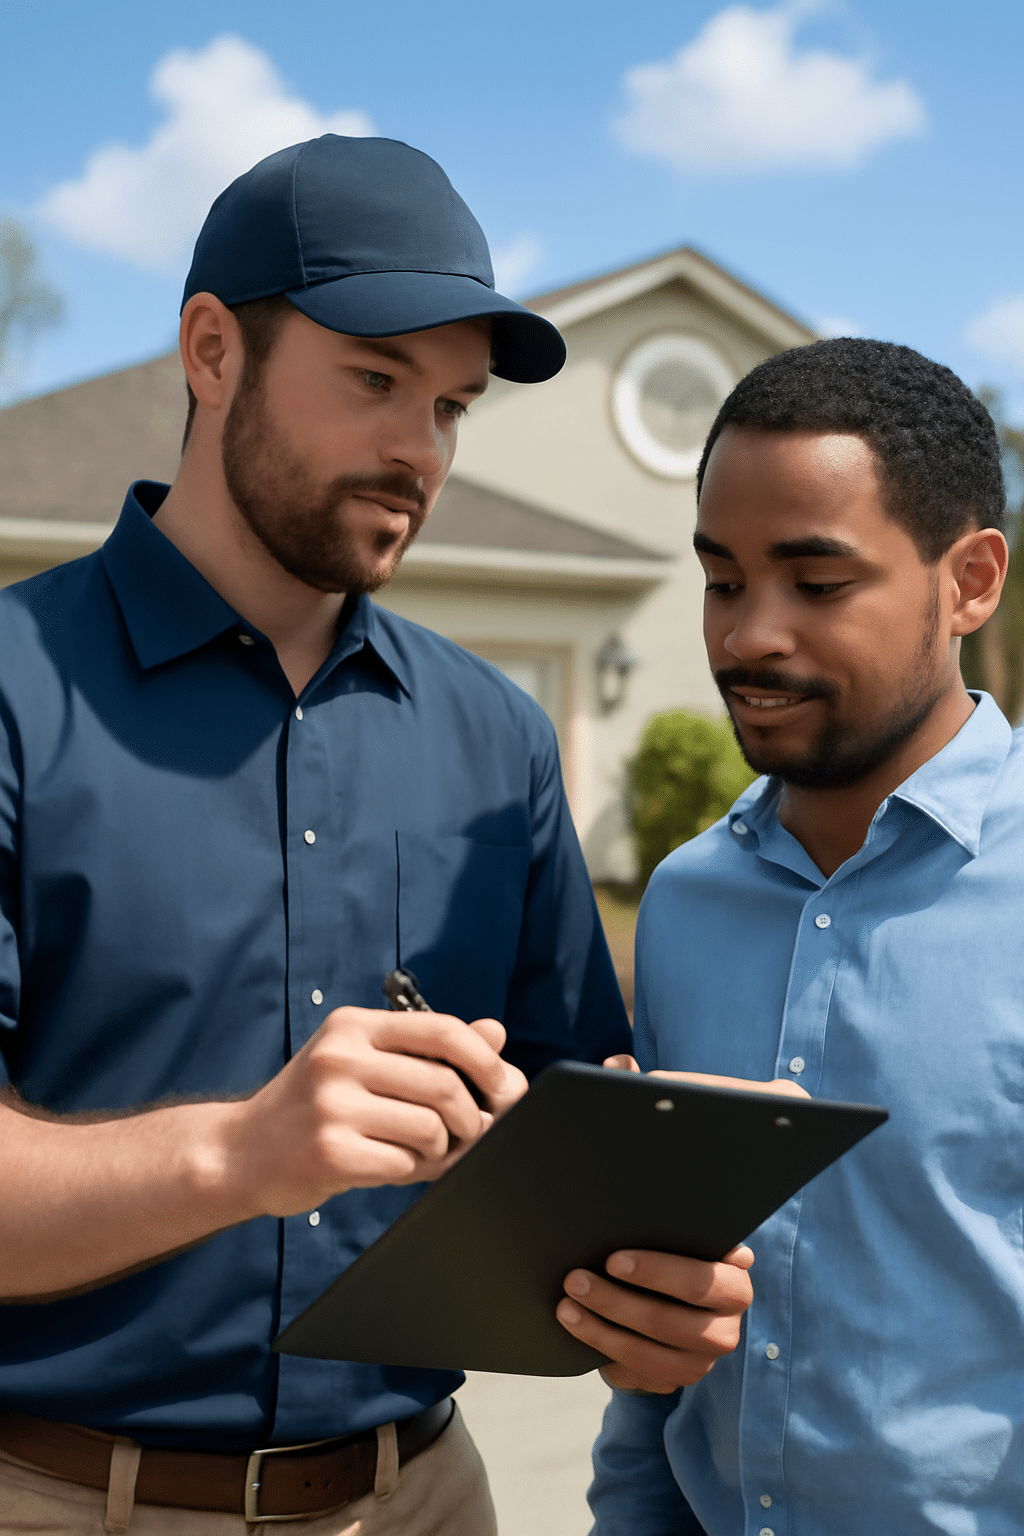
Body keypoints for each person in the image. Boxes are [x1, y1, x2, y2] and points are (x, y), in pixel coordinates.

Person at [0, 135, 756, 1536]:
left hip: (426, 1496)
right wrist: (238, 1155)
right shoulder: (12, 693)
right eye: (374, 381)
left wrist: (645, 1293)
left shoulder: (496, 741)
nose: (423, 449)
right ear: (211, 350)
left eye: (454, 407)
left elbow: (563, 1156)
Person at [586, 337, 1022, 1534]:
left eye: (815, 584)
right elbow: (658, 1374)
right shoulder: (681, 903)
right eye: (722, 581)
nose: (747, 637)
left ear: (970, 580)